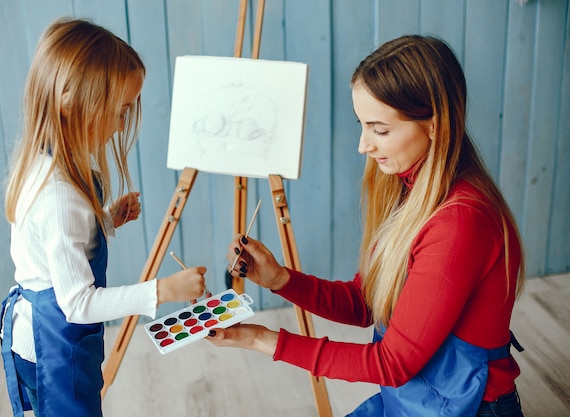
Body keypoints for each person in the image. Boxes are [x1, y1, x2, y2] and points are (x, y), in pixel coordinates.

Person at [209, 34, 526, 417]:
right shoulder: (412, 190)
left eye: (380, 130)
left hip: (463, 407)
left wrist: (263, 339)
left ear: (435, 126)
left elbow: (392, 364)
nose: (364, 145)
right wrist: (281, 280)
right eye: (362, 125)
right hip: (418, 397)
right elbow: (369, 304)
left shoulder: (459, 222)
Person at [0, 17, 207, 417]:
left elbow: (55, 246)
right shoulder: (56, 194)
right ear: (72, 100)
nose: (120, 127)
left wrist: (107, 220)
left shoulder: (51, 164)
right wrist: (162, 290)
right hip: (52, 347)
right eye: (120, 111)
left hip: (56, 338)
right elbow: (77, 304)